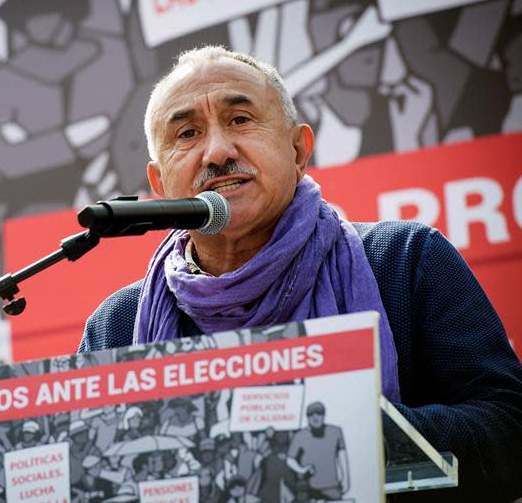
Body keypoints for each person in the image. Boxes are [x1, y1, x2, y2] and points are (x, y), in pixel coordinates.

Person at [78, 45, 522, 501]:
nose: (216, 152)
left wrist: (356, 432)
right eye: (188, 133)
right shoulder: (117, 326)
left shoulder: (404, 261)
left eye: (240, 120)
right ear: (158, 183)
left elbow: (510, 429)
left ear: (297, 150)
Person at [286, 402, 349, 500]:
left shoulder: (335, 432)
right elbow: (290, 459)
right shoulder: (300, 435)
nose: (315, 418)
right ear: (308, 418)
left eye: (319, 414)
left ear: (324, 416)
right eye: (311, 415)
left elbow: (342, 455)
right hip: (308, 487)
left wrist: (346, 479)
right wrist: (301, 469)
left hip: (331, 486)